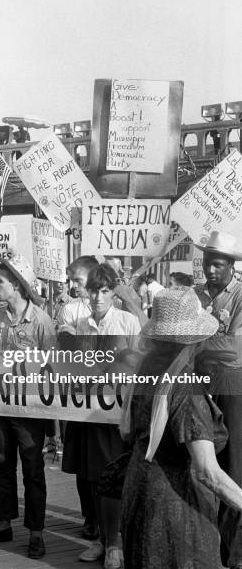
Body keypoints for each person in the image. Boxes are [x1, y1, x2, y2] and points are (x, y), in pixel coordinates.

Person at [118, 287, 242, 568]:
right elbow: (207, 471)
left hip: (140, 495)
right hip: (175, 511)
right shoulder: (185, 388)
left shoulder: (147, 370)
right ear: (195, 341)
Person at [0, 252, 56, 559]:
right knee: (1, 466)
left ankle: (36, 532)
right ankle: (3, 522)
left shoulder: (42, 321)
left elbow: (54, 367)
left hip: (31, 411)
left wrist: (52, 421)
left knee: (33, 470)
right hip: (0, 406)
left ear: (18, 287)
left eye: (0, 282)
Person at [62, 263, 141, 568]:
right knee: (93, 476)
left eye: (105, 290)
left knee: (118, 475)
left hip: (120, 413)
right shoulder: (82, 325)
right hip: (90, 412)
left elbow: (141, 364)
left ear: (113, 292)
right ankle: (101, 539)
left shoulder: (128, 322)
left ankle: (117, 541)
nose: (98, 297)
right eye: (94, 290)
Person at [193, 231, 242, 569]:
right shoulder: (194, 294)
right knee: (200, 462)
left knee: (233, 465)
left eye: (218, 264)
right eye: (208, 263)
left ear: (231, 266)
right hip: (197, 385)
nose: (210, 270)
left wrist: (196, 342)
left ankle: (234, 551)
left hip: (231, 387)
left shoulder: (240, 294)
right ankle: (208, 541)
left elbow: (236, 352)